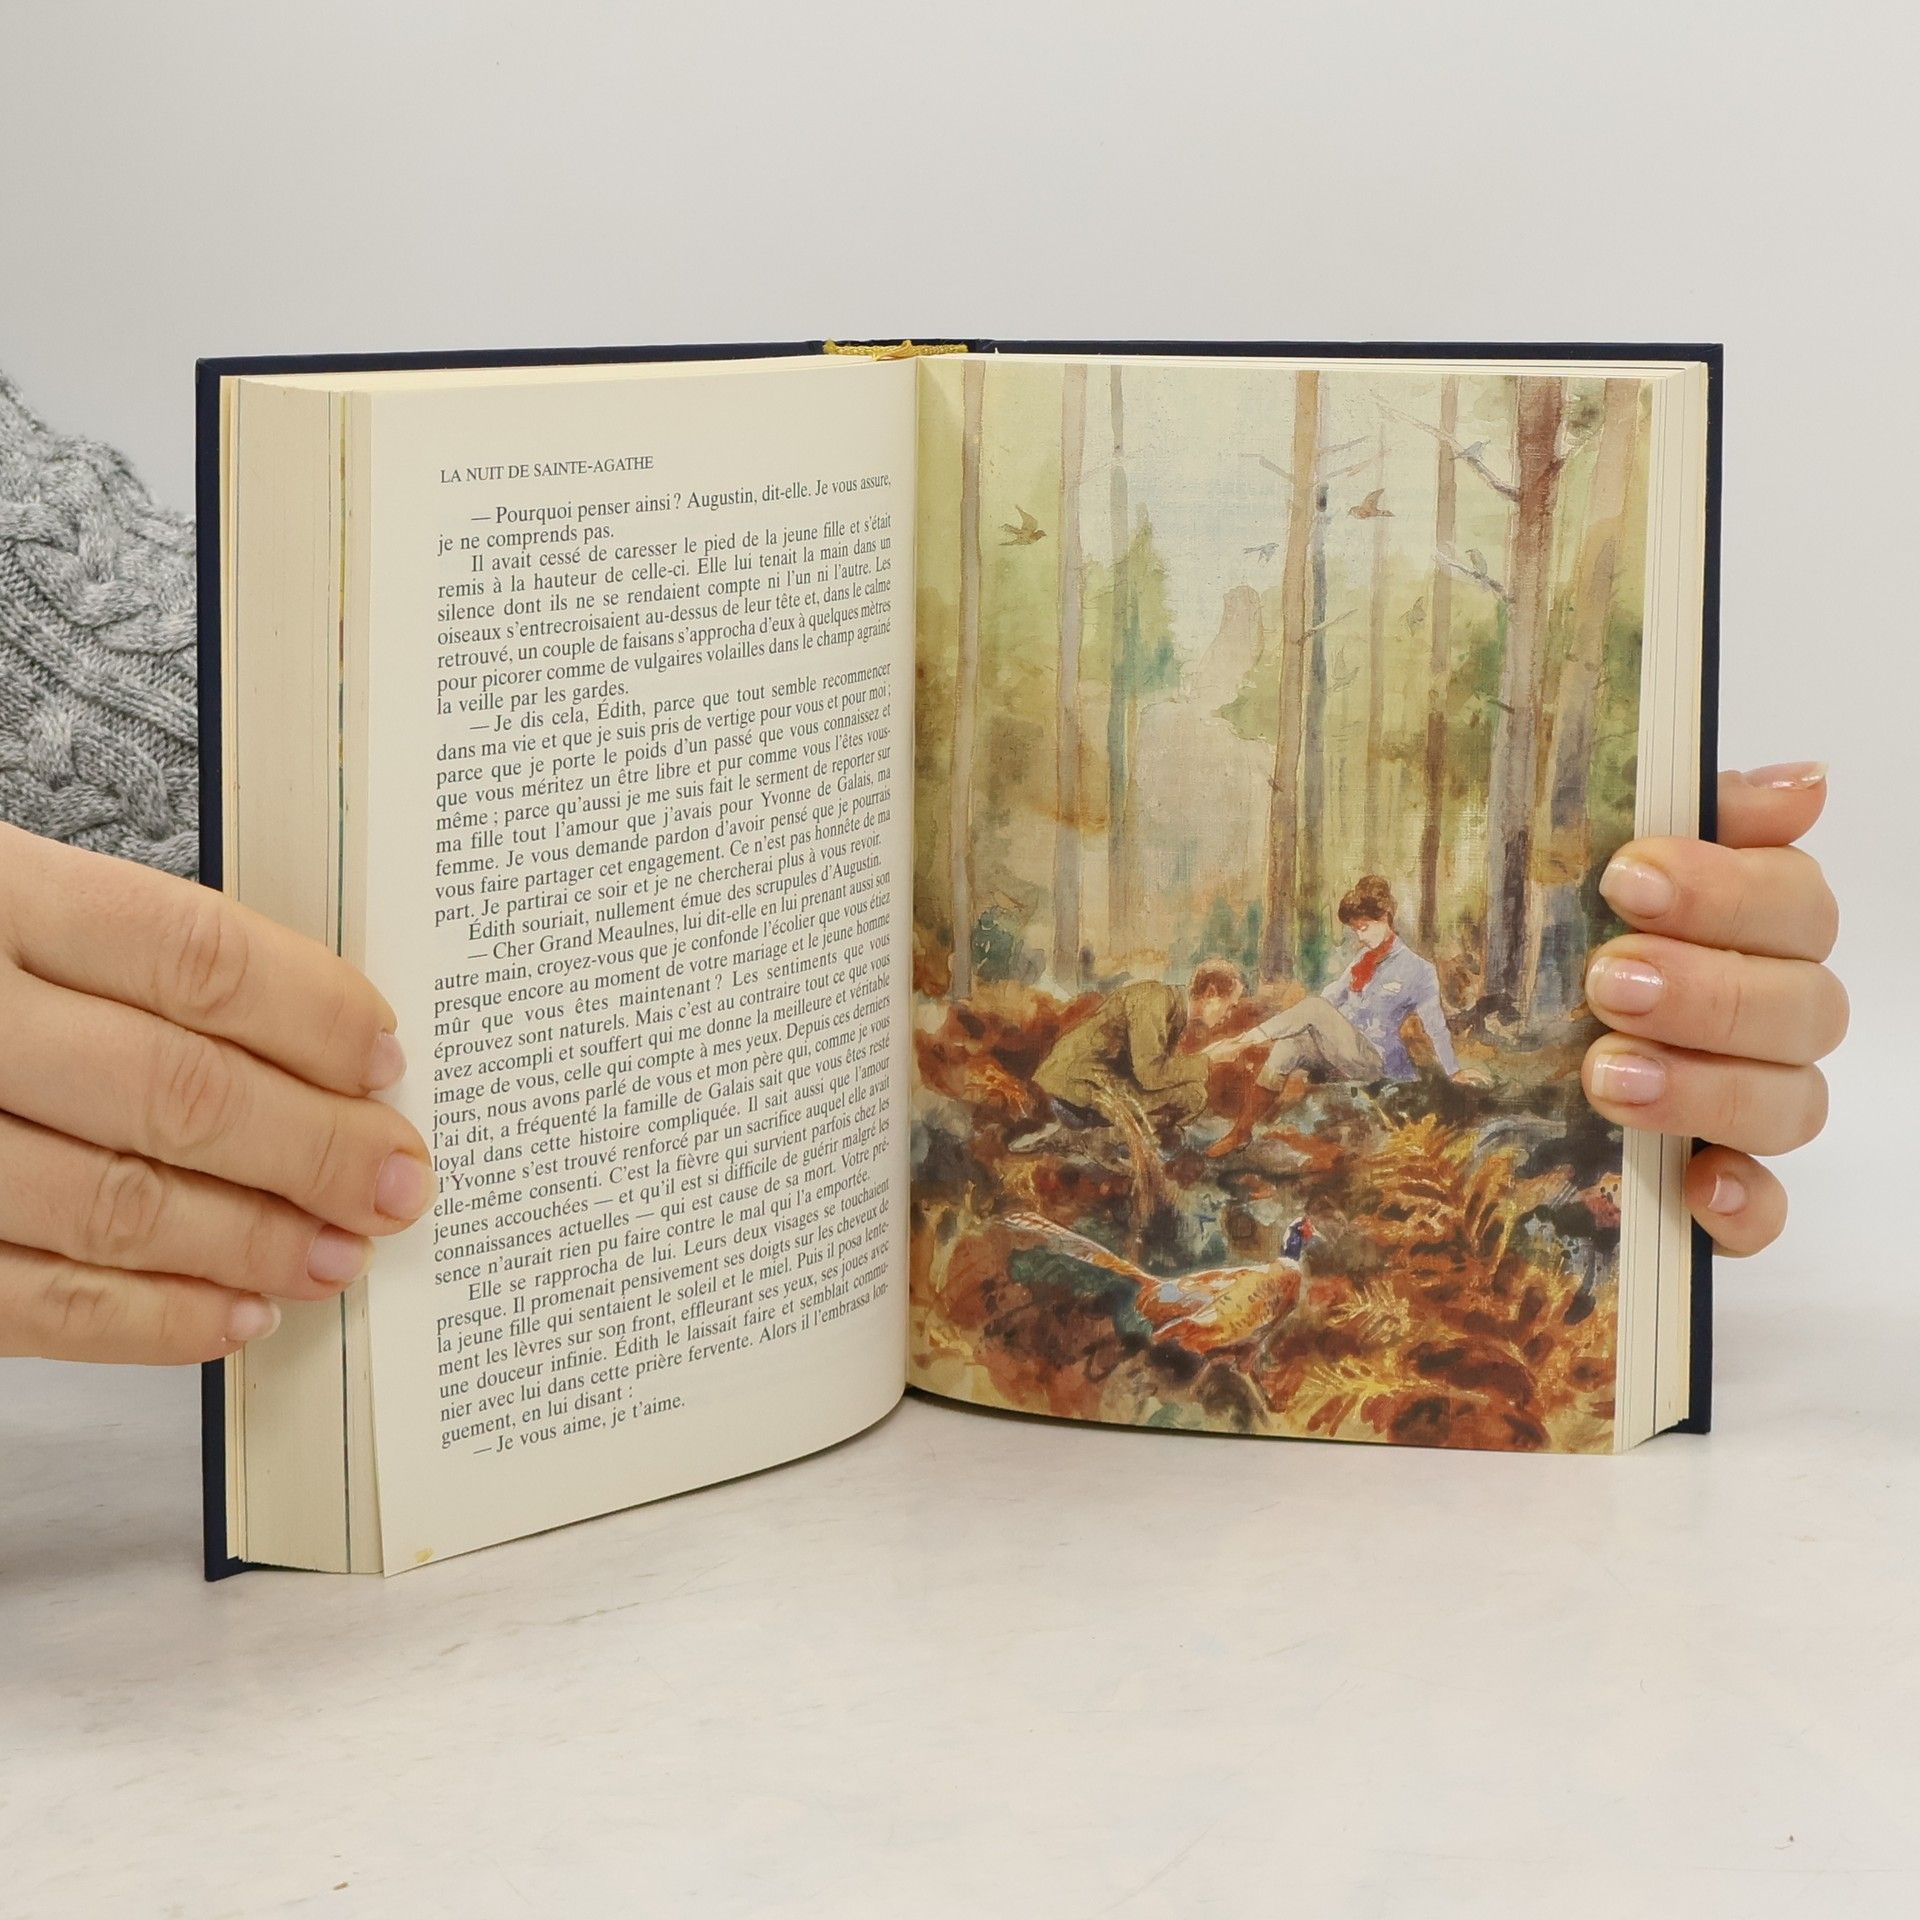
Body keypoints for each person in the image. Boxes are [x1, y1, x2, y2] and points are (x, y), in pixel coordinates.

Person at [0, 768, 1846, 1362]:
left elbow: (1404, 1038)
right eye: (1347, 927)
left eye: (1362, 925)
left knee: (1286, 1121)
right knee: (1221, 1118)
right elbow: (1214, 1049)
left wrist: (1564, 1019)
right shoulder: (1221, 1006)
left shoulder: (1403, 982)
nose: (1352, 940)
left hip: (1340, 1112)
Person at [1203, 874, 1470, 1156]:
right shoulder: (1362, 961)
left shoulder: (1419, 970)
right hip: (1342, 1051)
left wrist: (1454, 1070)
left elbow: (1435, 1025)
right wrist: (1303, 1023)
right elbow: (1329, 1000)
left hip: (1376, 1059)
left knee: (1314, 1008)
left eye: (1364, 928)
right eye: (1355, 930)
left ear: (1385, 917)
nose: (1360, 936)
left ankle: (1242, 1041)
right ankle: (1241, 1132)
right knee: (1288, 1045)